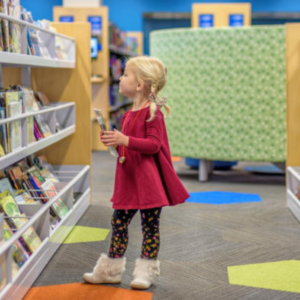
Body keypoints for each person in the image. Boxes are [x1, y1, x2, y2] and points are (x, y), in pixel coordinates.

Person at [83, 56, 189, 290]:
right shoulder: (128, 114)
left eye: (125, 75)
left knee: (149, 225)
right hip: (128, 179)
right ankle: (110, 270)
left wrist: (125, 139)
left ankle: (145, 272)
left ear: (140, 85)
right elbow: (129, 146)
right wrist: (115, 141)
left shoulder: (154, 113)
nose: (120, 78)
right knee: (118, 223)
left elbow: (153, 145)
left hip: (148, 181)